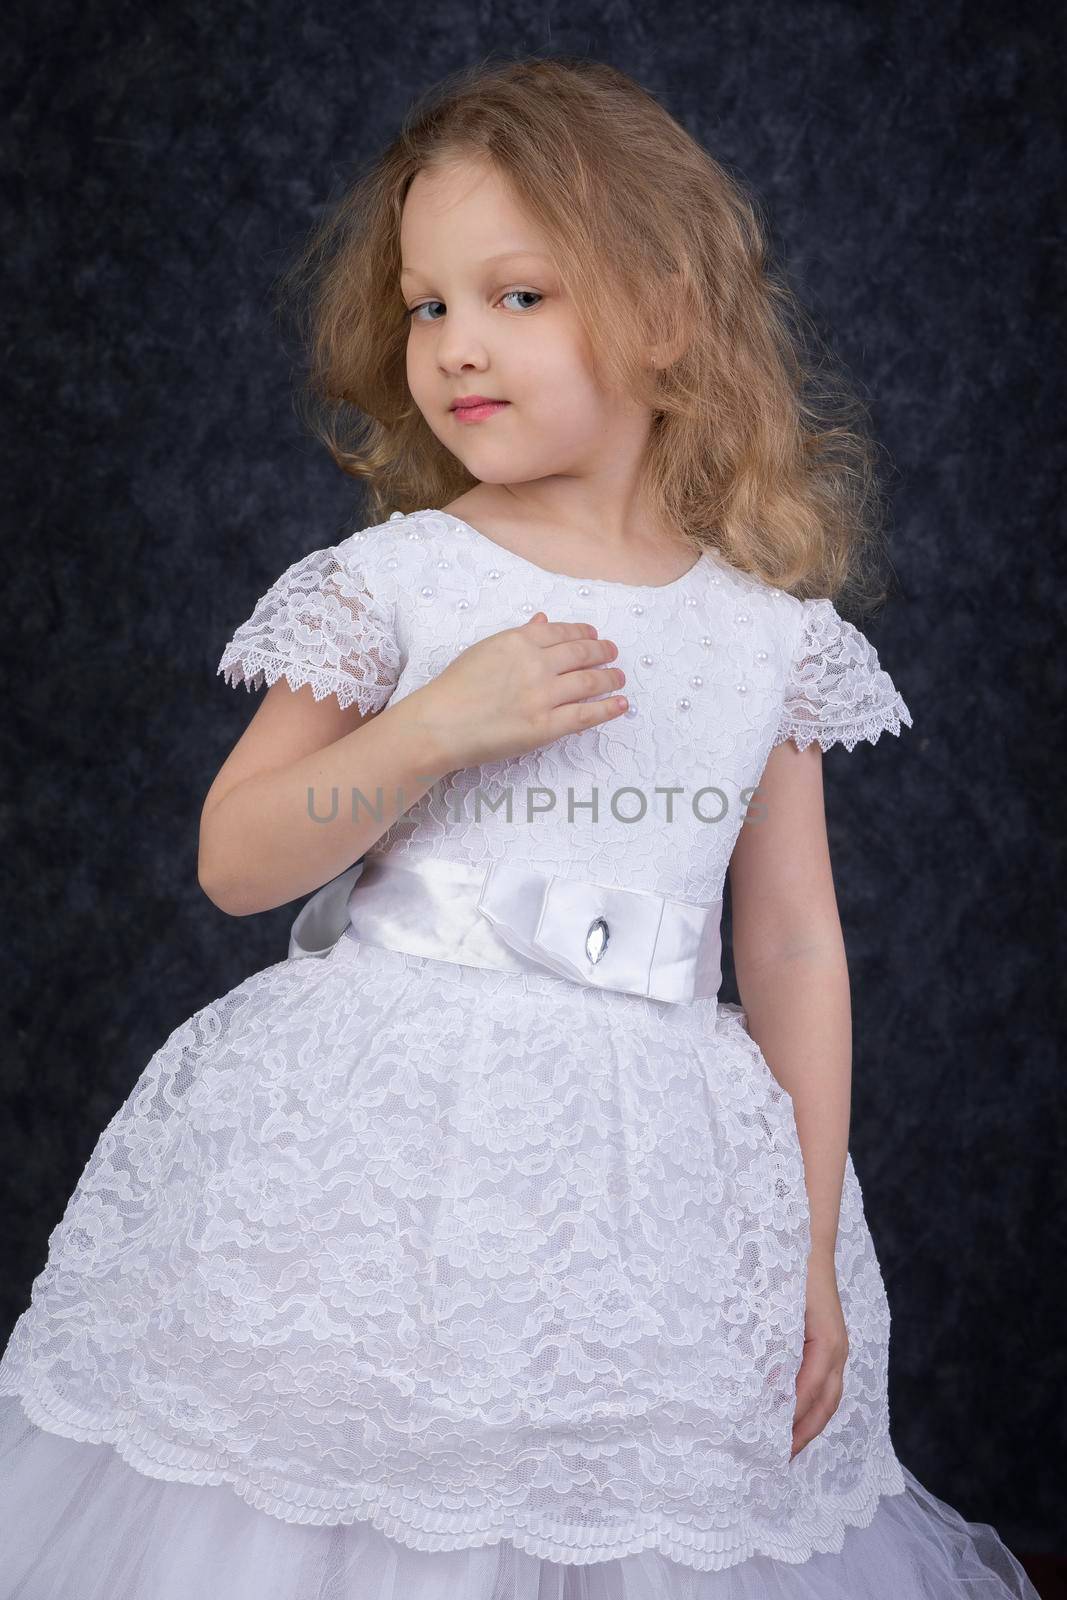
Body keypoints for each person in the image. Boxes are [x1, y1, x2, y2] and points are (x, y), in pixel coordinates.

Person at [0, 54, 1039, 1600]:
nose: (456, 347)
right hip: (383, 1171)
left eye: (518, 297)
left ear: (670, 313)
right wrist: (434, 728)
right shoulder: (402, 584)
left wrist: (807, 1245)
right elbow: (239, 861)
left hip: (651, 1193)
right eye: (428, 306)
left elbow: (792, 936)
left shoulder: (762, 631)